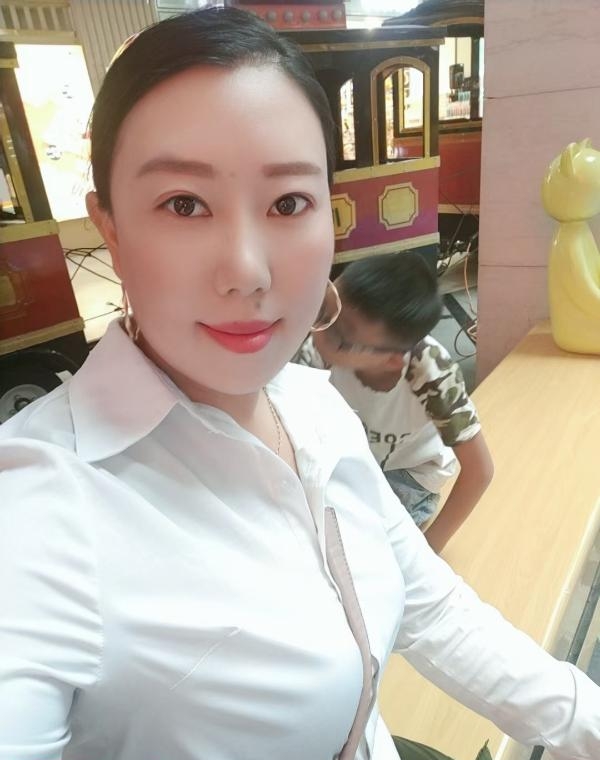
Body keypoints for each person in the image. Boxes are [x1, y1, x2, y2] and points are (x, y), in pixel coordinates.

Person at [0, 8, 598, 760]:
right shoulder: (38, 507)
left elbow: (433, 608)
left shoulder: (315, 407)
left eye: (288, 203)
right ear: (110, 228)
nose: (247, 271)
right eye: (184, 204)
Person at [297, 252, 493, 553]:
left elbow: (480, 470)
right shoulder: (322, 344)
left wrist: (431, 547)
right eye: (324, 309)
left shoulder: (431, 374)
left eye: (340, 338)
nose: (318, 332)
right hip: (355, 455)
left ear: (391, 360)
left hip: (409, 471)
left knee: (372, 549)